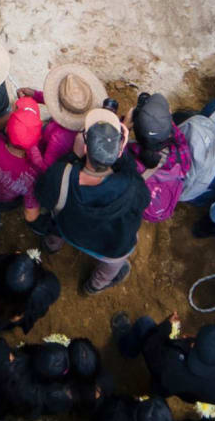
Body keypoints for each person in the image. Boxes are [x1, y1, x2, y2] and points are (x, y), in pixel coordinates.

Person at [33, 115, 149, 294]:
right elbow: (144, 201)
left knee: (54, 221)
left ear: (85, 147)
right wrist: (124, 158)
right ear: (119, 152)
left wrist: (72, 156)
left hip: (69, 231)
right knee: (115, 262)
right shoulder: (134, 186)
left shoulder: (61, 175)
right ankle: (93, 286)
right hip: (110, 248)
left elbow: (42, 195)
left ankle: (51, 246)